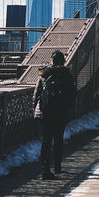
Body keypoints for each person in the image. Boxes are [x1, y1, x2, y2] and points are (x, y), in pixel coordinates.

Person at [34, 50, 77, 179]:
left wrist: (35, 110)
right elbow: (73, 94)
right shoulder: (67, 75)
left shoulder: (44, 74)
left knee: (46, 142)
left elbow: (36, 94)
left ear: (51, 61)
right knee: (58, 139)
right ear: (63, 61)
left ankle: (45, 170)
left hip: (45, 112)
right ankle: (57, 166)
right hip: (60, 113)